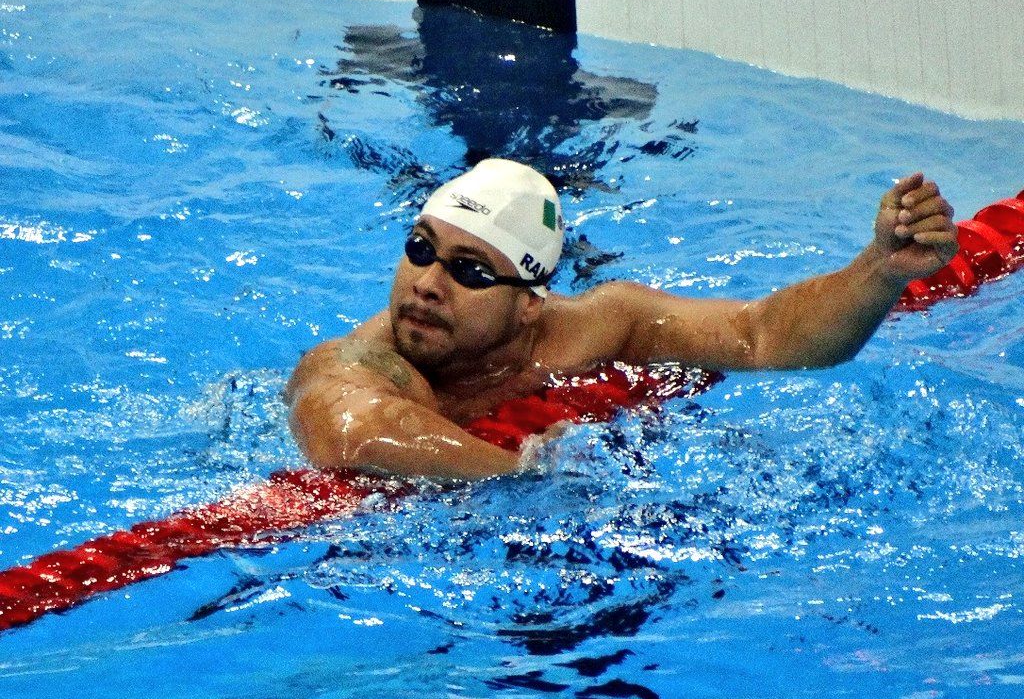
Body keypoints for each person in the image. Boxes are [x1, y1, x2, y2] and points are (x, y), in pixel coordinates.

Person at [286, 158, 957, 480]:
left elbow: (763, 336)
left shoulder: (601, 325)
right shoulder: (367, 359)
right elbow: (351, 434)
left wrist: (881, 268)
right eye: (421, 250)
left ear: (529, 304)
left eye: (470, 270)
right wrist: (530, 475)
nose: (428, 284)